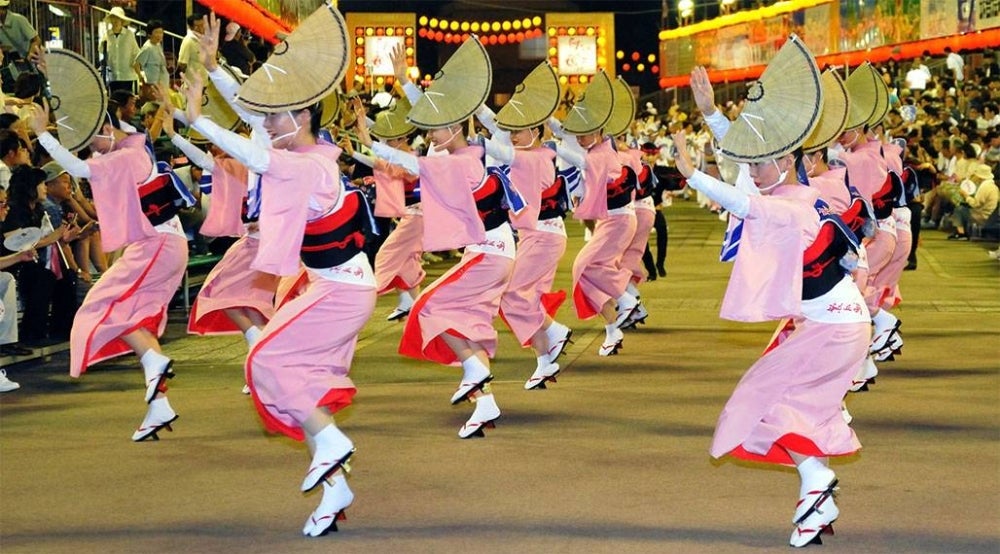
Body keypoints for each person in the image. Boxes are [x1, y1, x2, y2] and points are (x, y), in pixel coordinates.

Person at [186, 11, 374, 537]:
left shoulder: (309, 164)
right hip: (334, 287)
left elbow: (255, 152)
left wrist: (197, 118)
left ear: (305, 115)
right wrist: (214, 65)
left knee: (265, 360)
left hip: (339, 292)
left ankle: (332, 444)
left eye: (278, 117)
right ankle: (335, 486)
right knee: (299, 380)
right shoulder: (307, 150)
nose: (268, 124)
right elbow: (254, 120)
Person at [682, 37, 869, 548]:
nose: (753, 172)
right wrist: (711, 115)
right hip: (836, 326)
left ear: (786, 161)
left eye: (762, 165)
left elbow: (746, 204)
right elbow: (748, 171)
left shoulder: (791, 205)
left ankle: (816, 485)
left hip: (834, 329)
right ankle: (816, 501)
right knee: (794, 408)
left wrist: (691, 173)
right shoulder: (794, 192)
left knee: (767, 402)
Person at [29, 77, 194, 441]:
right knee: (136, 319)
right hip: (163, 245)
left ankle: (155, 363)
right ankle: (158, 406)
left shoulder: (127, 155)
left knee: (98, 306)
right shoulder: (130, 150)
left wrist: (43, 135)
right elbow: (90, 162)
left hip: (157, 246)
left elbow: (80, 169)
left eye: (92, 141)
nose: (90, 150)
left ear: (106, 129)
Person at [363, 39, 512, 439]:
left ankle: (475, 370)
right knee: (460, 319)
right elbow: (431, 134)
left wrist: (373, 143)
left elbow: (413, 163)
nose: (432, 132)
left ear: (458, 127)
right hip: (490, 254)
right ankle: (484, 401)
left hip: (490, 254)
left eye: (440, 128)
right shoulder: (461, 157)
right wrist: (404, 84)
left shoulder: (464, 160)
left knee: (427, 307)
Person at [475, 61, 573, 389]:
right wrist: (474, 104)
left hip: (543, 238)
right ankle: (548, 350)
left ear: (537, 130)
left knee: (513, 295)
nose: (513, 134)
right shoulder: (530, 151)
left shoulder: (536, 156)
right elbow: (498, 126)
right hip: (539, 236)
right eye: (513, 130)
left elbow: (497, 143)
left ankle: (552, 344)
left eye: (520, 129)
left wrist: (474, 140)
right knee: (522, 296)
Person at [550, 71, 637, 356]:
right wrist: (543, 119)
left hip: (619, 220)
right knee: (586, 277)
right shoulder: (599, 148)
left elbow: (577, 157)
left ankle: (626, 298)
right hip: (612, 221)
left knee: (581, 267)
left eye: (585, 133)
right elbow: (567, 137)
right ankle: (613, 329)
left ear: (599, 130)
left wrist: (550, 138)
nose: (581, 137)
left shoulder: (601, 153)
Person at [1, 164, 79, 345]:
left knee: (66, 277)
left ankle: (62, 328)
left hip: (29, 260)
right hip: (14, 263)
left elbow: (43, 240)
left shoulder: (36, 210)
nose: (45, 188)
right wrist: (53, 237)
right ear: (31, 187)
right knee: (43, 277)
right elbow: (15, 243)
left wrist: (64, 237)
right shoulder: (14, 210)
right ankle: (33, 332)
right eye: (42, 184)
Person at [99, 7, 140, 93]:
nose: (116, 21)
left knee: (127, 100)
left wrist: (137, 68)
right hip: (112, 75)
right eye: (114, 18)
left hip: (127, 75)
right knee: (114, 100)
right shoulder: (107, 35)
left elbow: (136, 52)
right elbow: (101, 50)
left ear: (122, 20)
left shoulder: (129, 35)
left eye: (118, 18)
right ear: (111, 20)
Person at [135, 20, 169, 89]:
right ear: (150, 34)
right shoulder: (147, 47)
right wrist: (142, 79)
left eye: (161, 32)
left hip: (162, 82)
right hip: (152, 84)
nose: (159, 35)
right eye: (156, 32)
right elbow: (136, 64)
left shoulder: (158, 45)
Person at [177, 14, 206, 80]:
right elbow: (182, 64)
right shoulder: (188, 40)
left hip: (204, 81)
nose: (201, 28)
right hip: (192, 83)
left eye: (202, 25)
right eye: (197, 26)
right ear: (191, 27)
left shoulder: (203, 39)